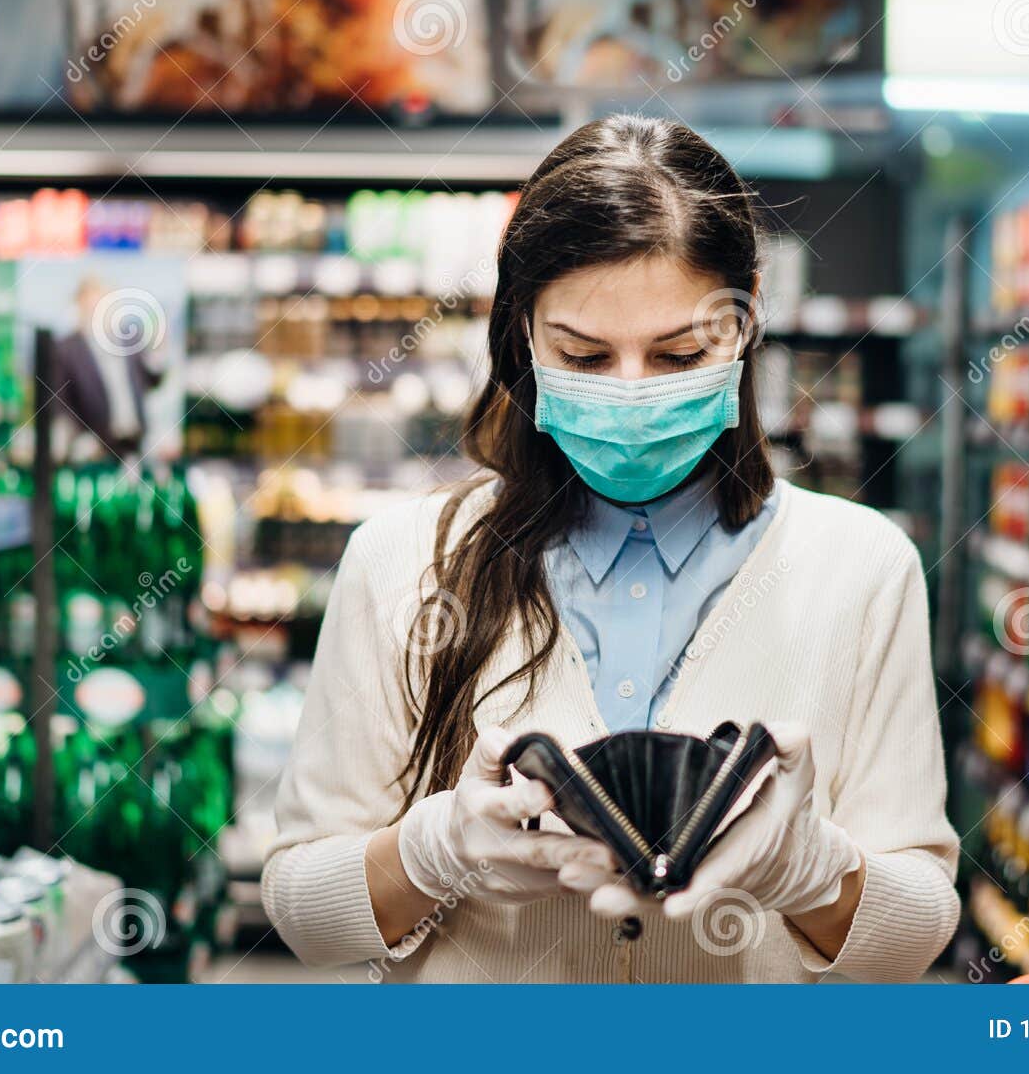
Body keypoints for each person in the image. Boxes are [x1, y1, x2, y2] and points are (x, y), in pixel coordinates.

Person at [263, 115, 959, 982]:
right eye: (584, 356)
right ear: (521, 331)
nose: (632, 394)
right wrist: (434, 849)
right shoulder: (402, 561)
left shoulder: (862, 567)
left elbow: (920, 927)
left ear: (746, 317)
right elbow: (300, 906)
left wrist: (812, 869)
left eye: (679, 354)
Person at [50, 276, 164, 461]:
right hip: (96, 448)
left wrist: (157, 357)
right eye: (92, 306)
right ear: (80, 306)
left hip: (137, 442)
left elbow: (152, 381)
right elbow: (60, 401)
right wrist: (77, 438)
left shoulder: (130, 340)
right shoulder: (67, 349)